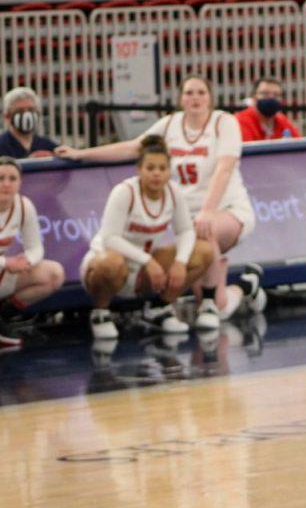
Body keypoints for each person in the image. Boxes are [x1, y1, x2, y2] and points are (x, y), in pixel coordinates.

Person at [56, 76, 266, 330]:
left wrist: (207, 212)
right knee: (220, 305)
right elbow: (132, 148)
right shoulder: (169, 126)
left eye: (201, 92)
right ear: (180, 98)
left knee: (203, 230)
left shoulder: (224, 122)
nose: (195, 98)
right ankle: (243, 287)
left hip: (227, 210)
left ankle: (202, 304)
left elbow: (224, 169)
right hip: (186, 218)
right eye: (189, 93)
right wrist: (81, 153)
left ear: (210, 97)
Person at [81, 135, 216, 340]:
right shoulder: (124, 192)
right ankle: (100, 313)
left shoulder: (173, 192)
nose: (156, 174)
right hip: (108, 265)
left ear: (169, 171)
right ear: (139, 170)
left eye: (162, 169)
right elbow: (109, 239)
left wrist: (180, 262)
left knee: (204, 252)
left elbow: (186, 231)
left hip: (143, 270)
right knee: (111, 262)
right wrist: (149, 261)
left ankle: (159, 309)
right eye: (150, 168)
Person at [0, 157, 65, 349]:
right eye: (1, 178)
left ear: (20, 183)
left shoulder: (24, 205)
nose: (6, 184)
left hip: (4, 273)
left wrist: (27, 260)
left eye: (12, 178)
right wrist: (6, 263)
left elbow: (36, 247)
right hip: (3, 266)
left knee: (54, 274)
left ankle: (3, 315)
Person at [235, 77, 301, 142]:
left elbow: (299, 145)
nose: (271, 98)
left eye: (276, 95)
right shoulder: (241, 121)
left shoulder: (282, 120)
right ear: (254, 97)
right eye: (265, 94)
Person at [0, 87, 59, 159]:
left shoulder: (47, 145)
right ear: (7, 116)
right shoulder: (2, 145)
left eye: (31, 109)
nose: (27, 114)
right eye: (20, 110)